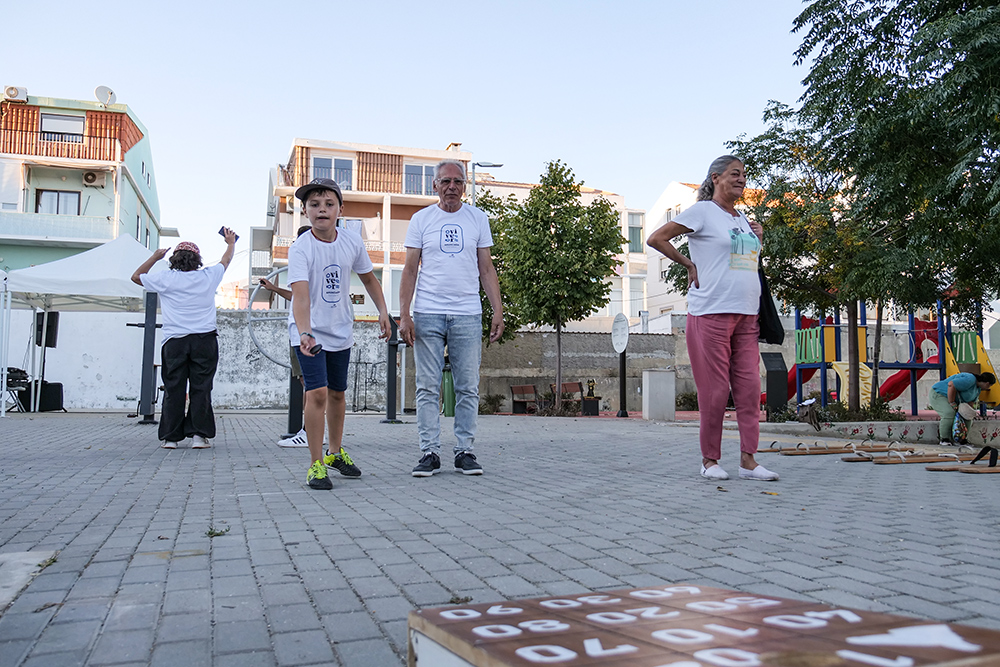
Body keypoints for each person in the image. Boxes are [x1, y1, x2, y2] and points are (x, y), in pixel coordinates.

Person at [646, 155, 779, 482]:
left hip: (747, 315)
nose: (741, 179)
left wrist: (758, 239)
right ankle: (709, 461)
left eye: (744, 175)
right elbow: (656, 238)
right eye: (735, 174)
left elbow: (742, 263)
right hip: (710, 312)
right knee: (715, 391)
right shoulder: (703, 211)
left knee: (749, 390)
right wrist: (689, 264)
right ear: (716, 178)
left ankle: (748, 461)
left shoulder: (742, 219)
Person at [399, 160, 504, 477]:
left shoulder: (478, 219)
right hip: (428, 312)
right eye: (445, 181)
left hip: (467, 314)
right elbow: (409, 269)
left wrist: (497, 310)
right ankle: (429, 452)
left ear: (465, 186)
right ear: (434, 185)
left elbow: (486, 268)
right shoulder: (421, 220)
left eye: (458, 181)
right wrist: (404, 314)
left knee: (468, 387)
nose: (452, 187)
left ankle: (465, 452)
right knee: (427, 387)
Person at [288, 178, 390, 490]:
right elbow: (300, 297)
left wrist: (383, 311)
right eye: (314, 204)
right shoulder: (300, 248)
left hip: (340, 328)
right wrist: (305, 332)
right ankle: (315, 464)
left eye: (328, 204)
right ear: (306, 211)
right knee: (317, 393)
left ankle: (334, 453)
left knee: (337, 394)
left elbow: (369, 279)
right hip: (309, 332)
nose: (322, 209)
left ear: (340, 210)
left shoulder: (351, 242)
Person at [131, 231, 236, 449]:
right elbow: (226, 260)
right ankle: (199, 436)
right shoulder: (209, 276)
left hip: (175, 341)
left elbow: (136, 276)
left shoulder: (165, 278)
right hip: (204, 339)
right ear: (198, 260)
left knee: (174, 388)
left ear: (174, 259)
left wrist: (155, 257)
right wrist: (230, 243)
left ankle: (171, 438)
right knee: (201, 388)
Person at [928, 371, 995, 445]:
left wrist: (969, 412)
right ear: (987, 383)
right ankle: (944, 439)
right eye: (990, 385)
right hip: (940, 394)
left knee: (967, 416)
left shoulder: (977, 389)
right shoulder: (970, 379)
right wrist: (952, 402)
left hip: (954, 399)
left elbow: (970, 403)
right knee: (949, 412)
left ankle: (962, 439)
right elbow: (951, 384)